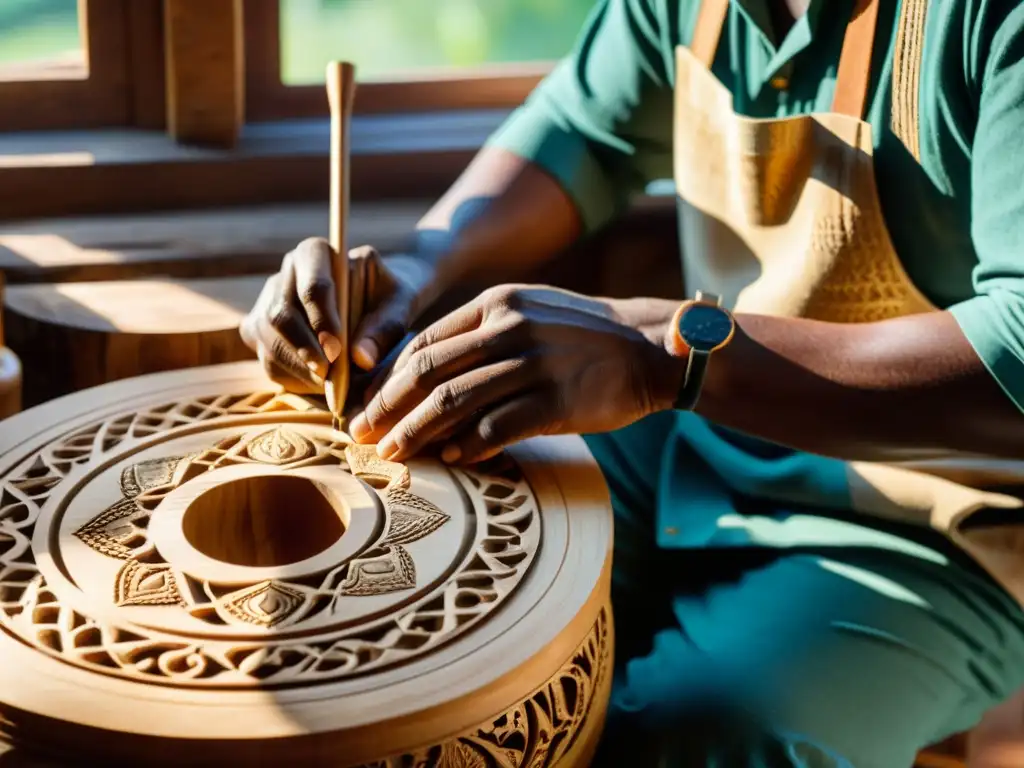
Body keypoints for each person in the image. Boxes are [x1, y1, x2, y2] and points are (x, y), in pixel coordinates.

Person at [241, 0, 1024, 764]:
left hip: (938, 524)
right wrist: (418, 264)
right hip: (693, 433)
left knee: (698, 736)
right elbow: (586, 134)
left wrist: (662, 356)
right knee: (428, 570)